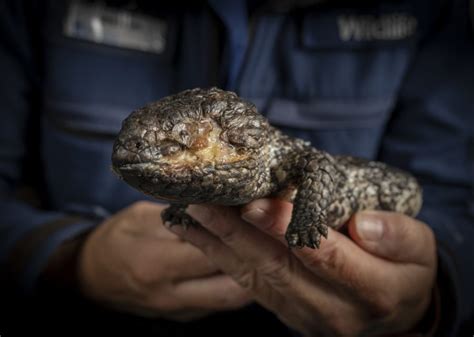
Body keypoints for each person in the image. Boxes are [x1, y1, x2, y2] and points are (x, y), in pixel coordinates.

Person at [0, 0, 473, 336]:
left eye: (175, 145)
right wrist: (70, 262)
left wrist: (429, 299)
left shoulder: (433, 14)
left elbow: (453, 204)